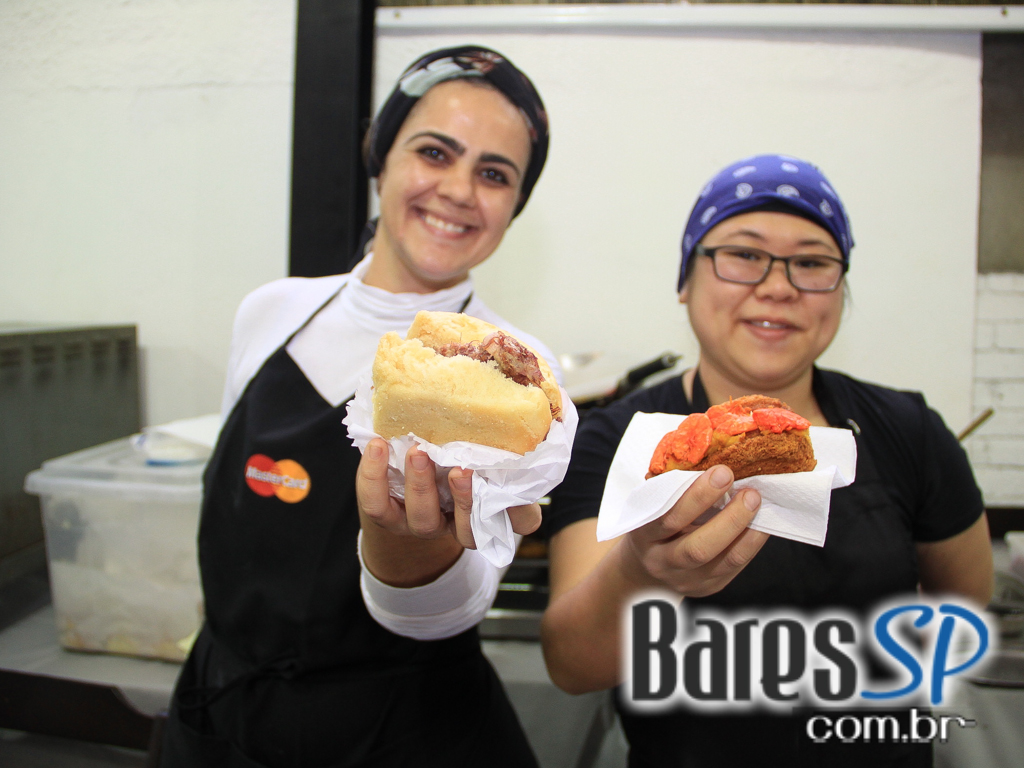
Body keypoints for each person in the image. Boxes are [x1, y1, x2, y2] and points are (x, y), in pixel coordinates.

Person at [162, 46, 554, 768]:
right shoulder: (271, 312)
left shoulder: (519, 374)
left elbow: (455, 611)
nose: (461, 189)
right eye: (435, 151)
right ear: (380, 156)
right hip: (223, 714)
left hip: (403, 731)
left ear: (514, 206)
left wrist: (409, 553)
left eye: (495, 174)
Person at [540, 154, 993, 767]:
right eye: (744, 254)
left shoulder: (909, 430)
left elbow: (964, 602)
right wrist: (646, 573)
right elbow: (571, 663)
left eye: (812, 263)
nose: (778, 285)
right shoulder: (618, 439)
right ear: (685, 280)